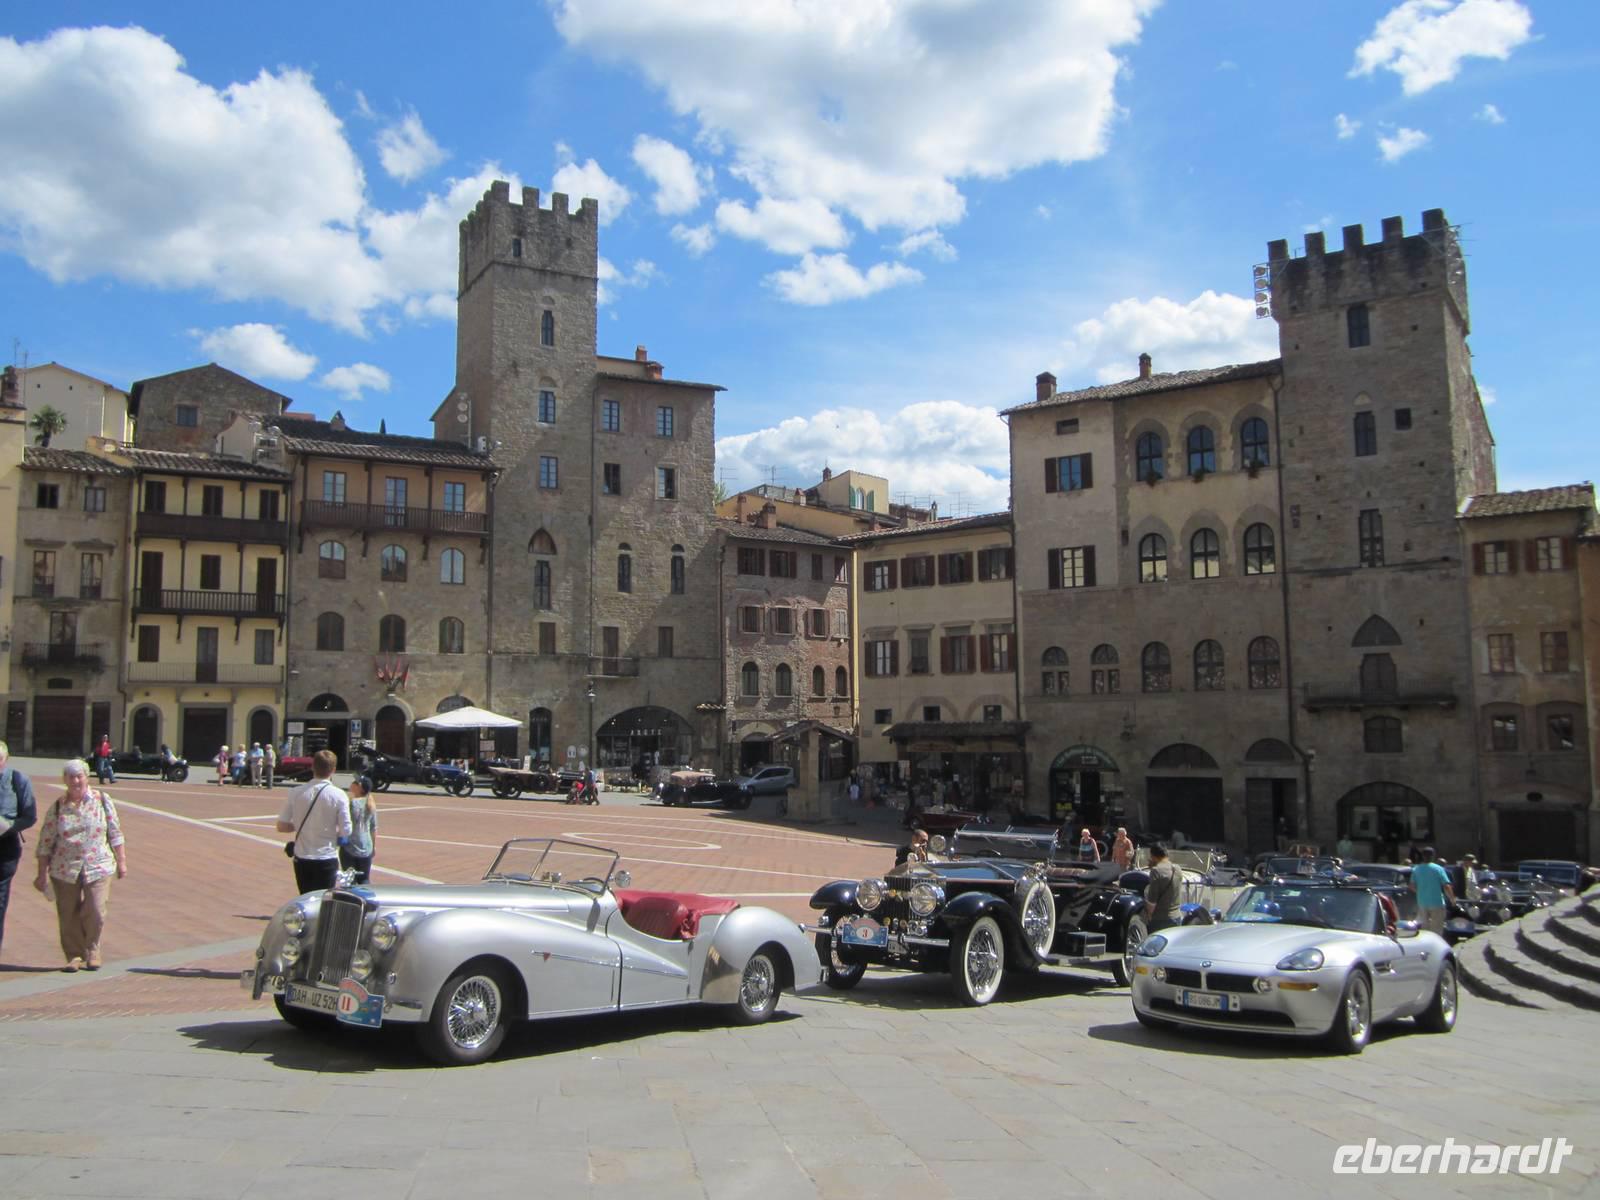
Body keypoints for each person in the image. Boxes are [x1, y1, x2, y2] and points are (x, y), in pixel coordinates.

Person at [32, 759, 126, 971]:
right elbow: (45, 842)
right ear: (64, 780)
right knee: (67, 913)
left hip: (98, 864)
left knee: (96, 908)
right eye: (71, 777)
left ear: (86, 777)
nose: (76, 781)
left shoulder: (102, 800)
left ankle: (92, 949)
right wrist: (41, 873)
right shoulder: (58, 806)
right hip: (64, 868)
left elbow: (115, 832)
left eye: (79, 776)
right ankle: (74, 954)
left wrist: (122, 861)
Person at [276, 749, 352, 895]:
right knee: (323, 899)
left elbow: (282, 826)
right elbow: (346, 829)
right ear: (333, 770)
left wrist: (298, 825)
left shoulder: (296, 792)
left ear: (312, 767)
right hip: (326, 856)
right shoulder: (339, 795)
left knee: (305, 897)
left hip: (302, 857)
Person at [0, 741, 40, 961]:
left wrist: (8, 826)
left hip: (5, 846)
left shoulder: (17, 780)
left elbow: (30, 815)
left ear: (6, 760)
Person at [340, 775, 378, 884]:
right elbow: (373, 828)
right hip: (366, 846)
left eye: (355, 782)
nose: (352, 784)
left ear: (359, 787)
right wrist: (373, 846)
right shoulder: (371, 804)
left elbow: (344, 823)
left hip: (350, 846)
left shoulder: (351, 803)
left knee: (349, 880)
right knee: (364, 879)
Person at [1410, 847, 1455, 934]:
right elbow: (1446, 886)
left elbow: (1412, 886)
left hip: (1422, 903)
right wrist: (1452, 899)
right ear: (1433, 856)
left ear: (1423, 856)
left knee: (1424, 928)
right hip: (1437, 903)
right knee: (1437, 928)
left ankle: (1425, 942)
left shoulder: (1416, 869)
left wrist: (1420, 892)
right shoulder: (1438, 869)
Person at [1143, 843, 1183, 933]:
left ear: (1153, 856)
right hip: (1176, 917)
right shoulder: (1177, 869)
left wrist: (1148, 916)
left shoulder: (1156, 871)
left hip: (1160, 920)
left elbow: (1152, 902)